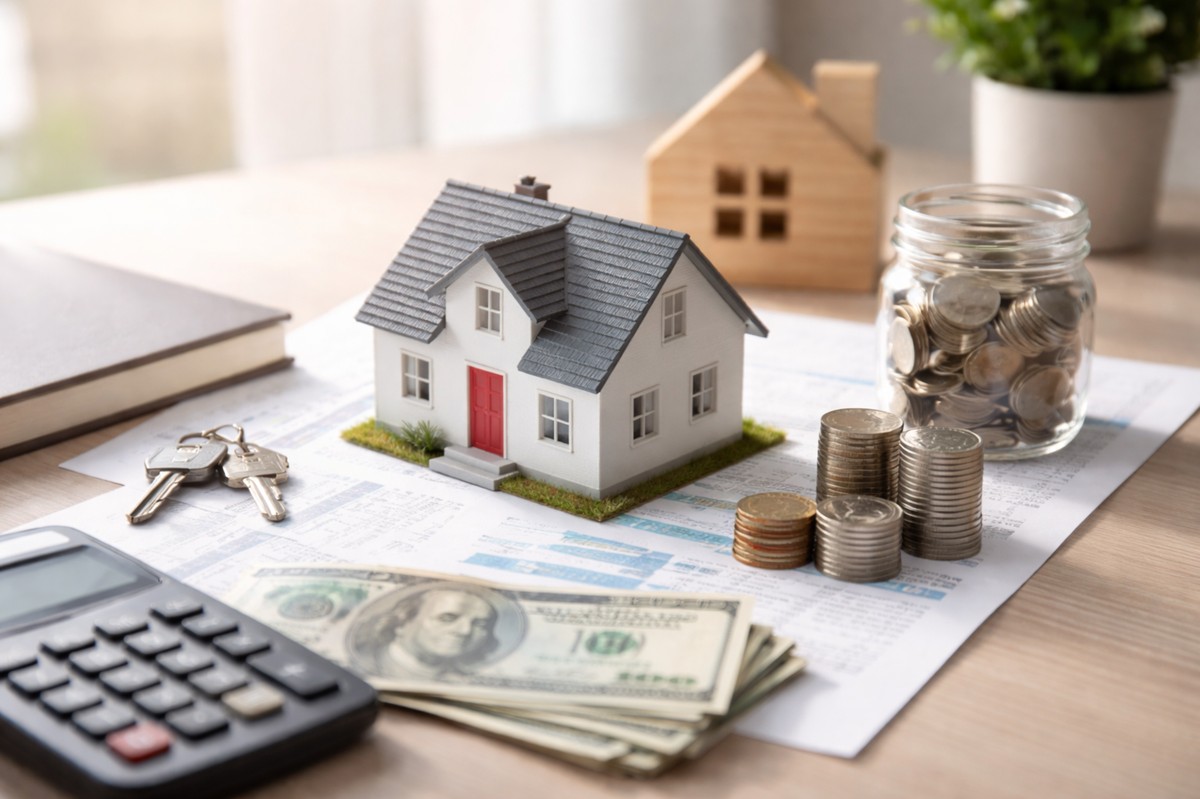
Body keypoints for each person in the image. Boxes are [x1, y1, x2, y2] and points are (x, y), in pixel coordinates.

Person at [354, 584, 504, 680]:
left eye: (481, 624)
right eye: (447, 618)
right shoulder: (362, 663)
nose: (465, 631)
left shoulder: (465, 680)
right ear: (403, 622)